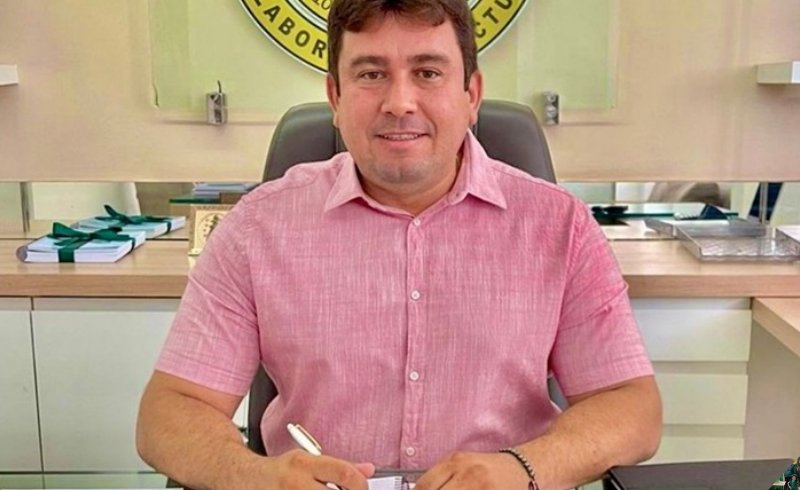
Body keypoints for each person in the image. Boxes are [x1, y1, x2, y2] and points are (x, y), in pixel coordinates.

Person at [136, 0, 662, 488]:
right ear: (335, 97)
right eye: (371, 74)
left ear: (471, 95)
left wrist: (524, 469)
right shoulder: (257, 228)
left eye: (428, 72)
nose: (399, 103)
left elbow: (632, 406)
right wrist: (257, 478)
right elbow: (169, 412)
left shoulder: (560, 225)